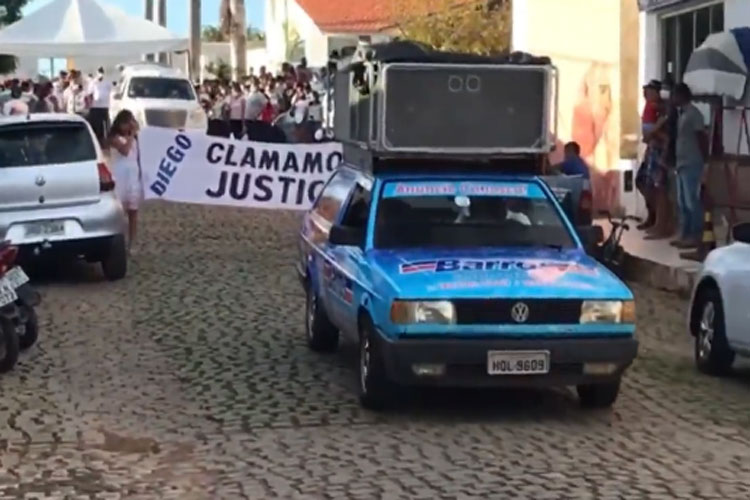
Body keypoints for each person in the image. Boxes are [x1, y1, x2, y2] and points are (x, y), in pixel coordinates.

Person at [671, 83, 708, 249]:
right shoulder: (681, 114)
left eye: (675, 95)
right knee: (682, 201)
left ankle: (695, 235)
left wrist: (705, 160)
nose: (672, 99)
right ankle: (684, 233)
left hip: (692, 162)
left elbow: (701, 137)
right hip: (681, 162)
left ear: (682, 95)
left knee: (692, 200)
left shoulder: (694, 114)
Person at [107, 110, 142, 252]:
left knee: (133, 212)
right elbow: (125, 150)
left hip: (133, 177)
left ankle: (132, 242)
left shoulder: (135, 139)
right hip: (120, 177)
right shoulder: (114, 138)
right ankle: (117, 242)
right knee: (119, 213)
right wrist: (132, 135)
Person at [88, 67, 112, 146]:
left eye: (101, 72)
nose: (100, 74)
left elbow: (111, 90)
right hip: (95, 106)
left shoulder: (107, 82)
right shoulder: (93, 82)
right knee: (96, 125)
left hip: (104, 106)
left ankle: (105, 141)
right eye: (99, 72)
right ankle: (97, 141)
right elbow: (89, 92)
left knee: (105, 125)